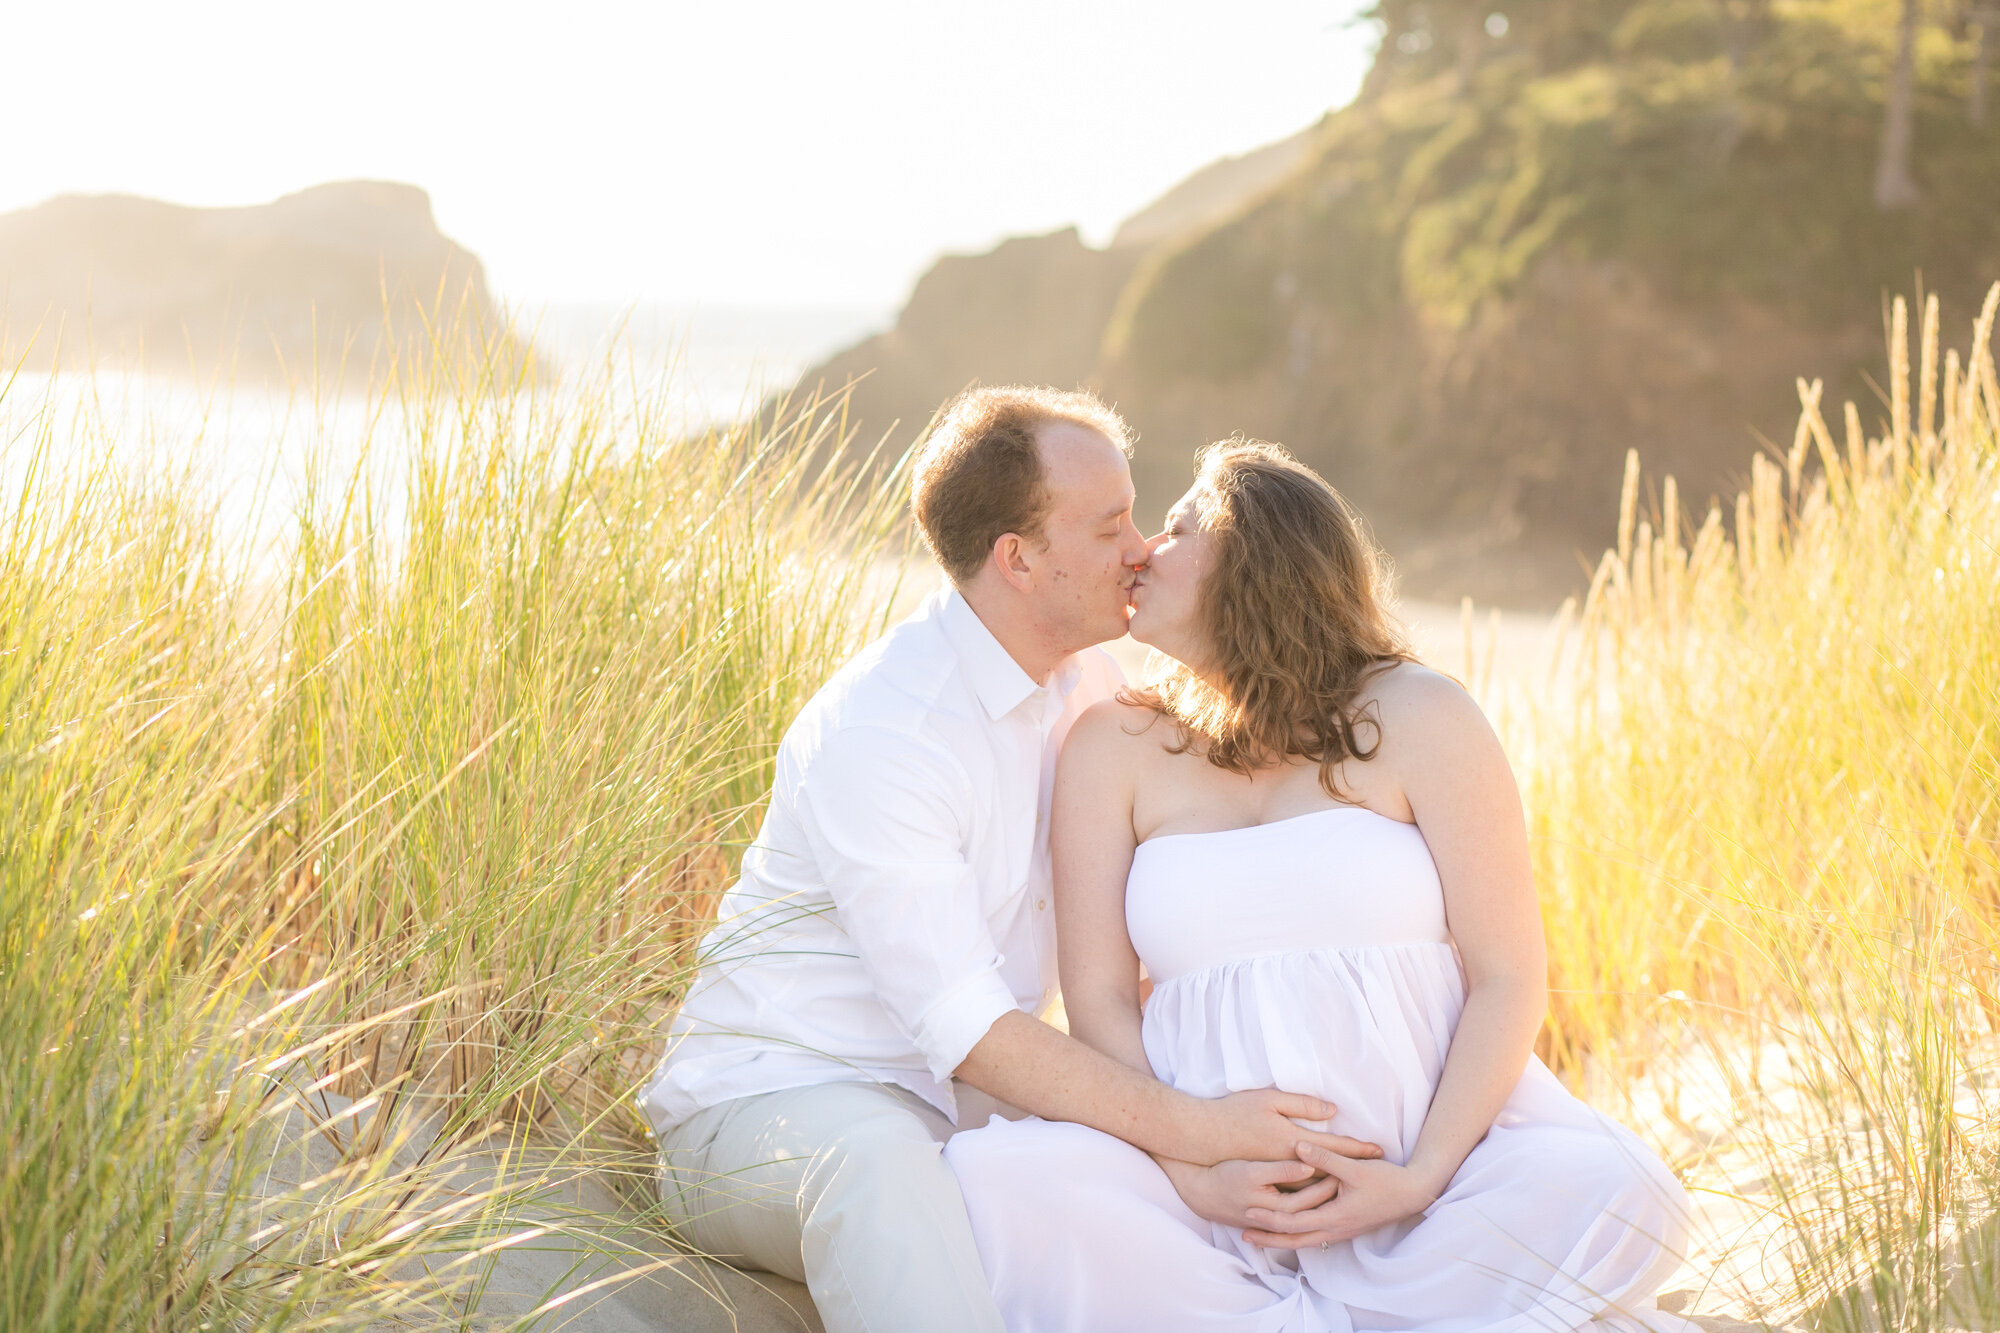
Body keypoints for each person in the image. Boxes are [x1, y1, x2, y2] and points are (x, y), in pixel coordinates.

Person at [640, 394, 1381, 1333]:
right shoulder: (887, 731)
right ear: (1018, 559)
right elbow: (971, 1030)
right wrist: (1198, 1129)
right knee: (878, 1167)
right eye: (1111, 524)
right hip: (769, 1110)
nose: (1143, 546)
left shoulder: (1097, 684)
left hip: (966, 1114)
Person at [944, 439, 1696, 1331]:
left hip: (1430, 1180)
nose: (1142, 549)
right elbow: (1100, 997)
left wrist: (1416, 1177)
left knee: (1620, 1190)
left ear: (1253, 560)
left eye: (1179, 527)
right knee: (1001, 1182)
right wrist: (1190, 1166)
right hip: (1204, 1196)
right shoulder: (1113, 745)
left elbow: (1507, 974)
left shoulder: (1421, 714)